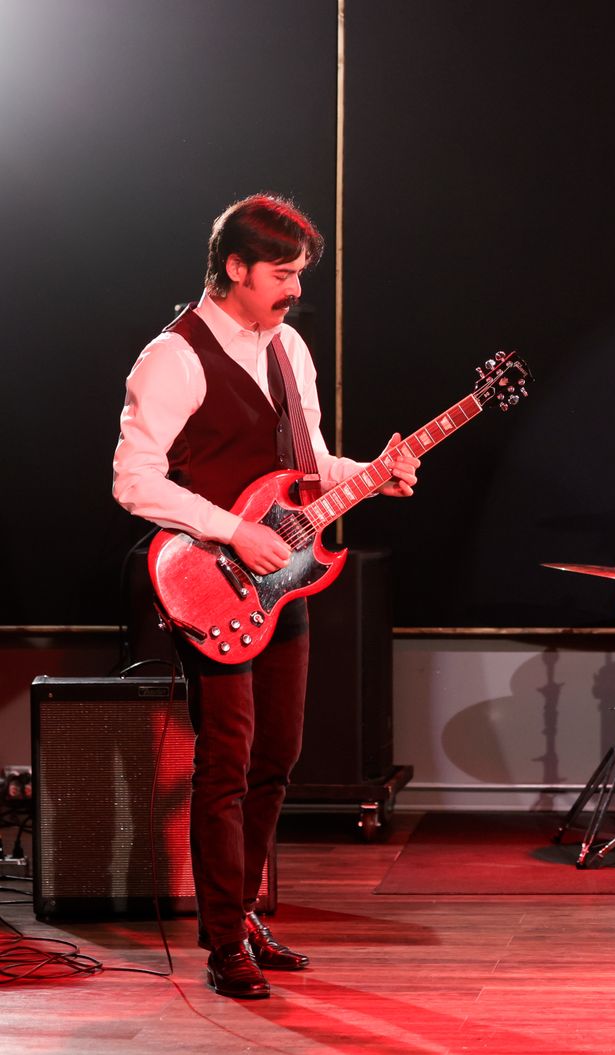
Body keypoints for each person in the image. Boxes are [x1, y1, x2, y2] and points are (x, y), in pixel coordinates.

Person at [112, 194, 420, 998]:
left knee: (277, 756)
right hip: (205, 579)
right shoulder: (172, 357)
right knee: (227, 762)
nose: (294, 289)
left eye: (299, 275)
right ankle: (223, 945)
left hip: (280, 580)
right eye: (281, 274)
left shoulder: (288, 347)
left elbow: (309, 467)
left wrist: (372, 475)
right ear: (236, 268)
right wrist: (233, 531)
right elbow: (133, 482)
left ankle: (244, 913)